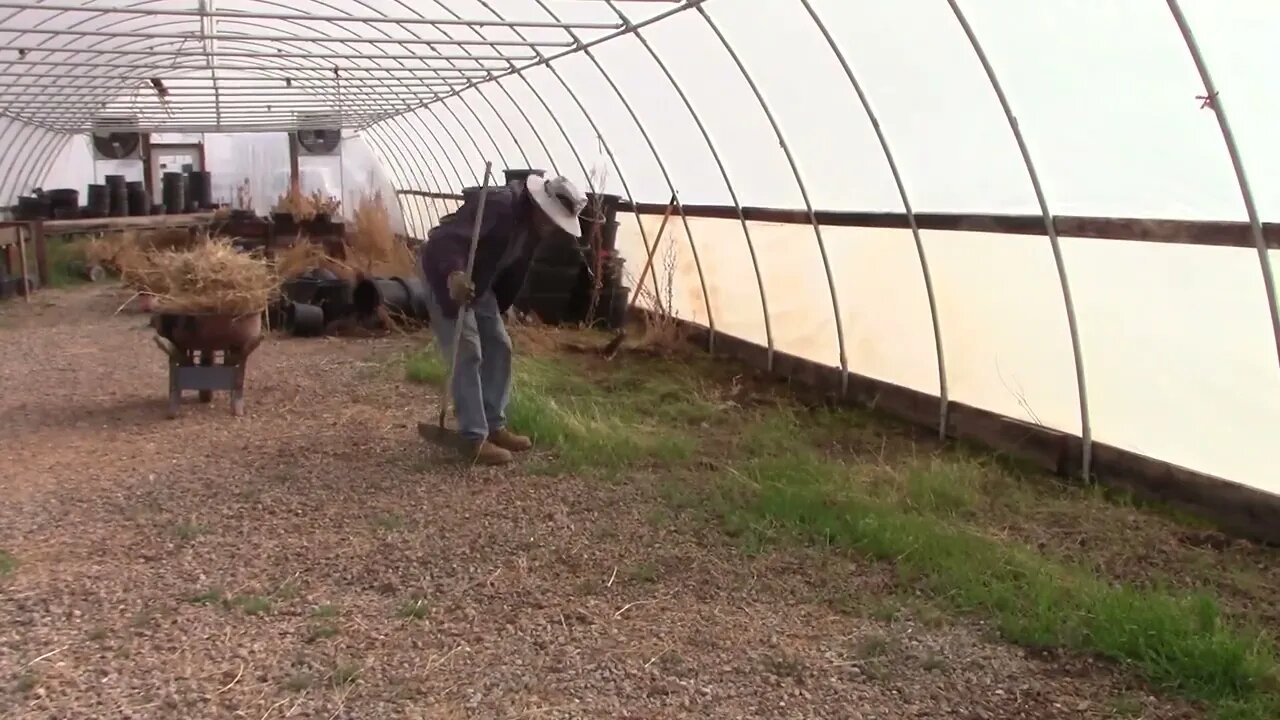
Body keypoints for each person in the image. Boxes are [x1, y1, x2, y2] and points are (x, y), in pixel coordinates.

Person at [419, 173, 588, 465]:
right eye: (551, 217)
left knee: (499, 344)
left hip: (480, 282)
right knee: (467, 349)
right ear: (538, 203)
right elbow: (443, 241)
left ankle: (493, 425)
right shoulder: (498, 205)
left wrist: (503, 307)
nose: (552, 227)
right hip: (447, 274)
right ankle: (473, 438)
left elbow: (513, 270)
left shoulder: (534, 228)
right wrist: (454, 275)